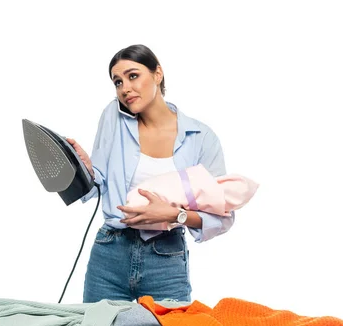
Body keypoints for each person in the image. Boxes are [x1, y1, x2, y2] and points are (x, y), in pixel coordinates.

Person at [66, 44, 235, 303]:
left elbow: (222, 216)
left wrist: (173, 215)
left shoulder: (201, 138)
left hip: (165, 258)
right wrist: (84, 168)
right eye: (118, 82)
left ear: (158, 74)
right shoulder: (114, 117)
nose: (125, 88)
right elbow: (98, 183)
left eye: (133, 76)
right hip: (109, 252)